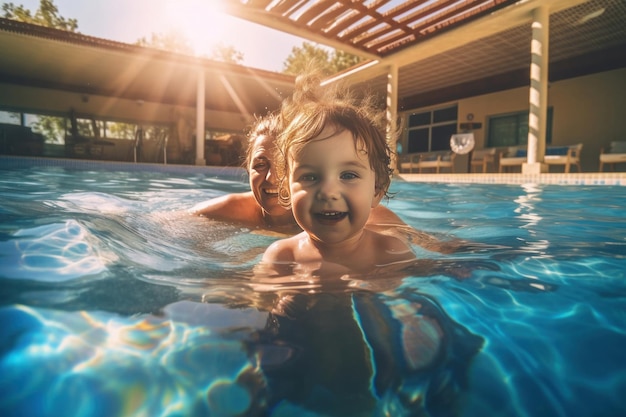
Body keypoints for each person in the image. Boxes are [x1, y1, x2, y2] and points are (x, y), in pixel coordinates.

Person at [258, 75, 417, 277]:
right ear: (287, 191)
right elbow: (262, 301)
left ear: (377, 189)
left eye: (348, 175)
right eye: (309, 177)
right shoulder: (282, 256)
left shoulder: (391, 253)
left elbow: (408, 305)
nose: (328, 191)